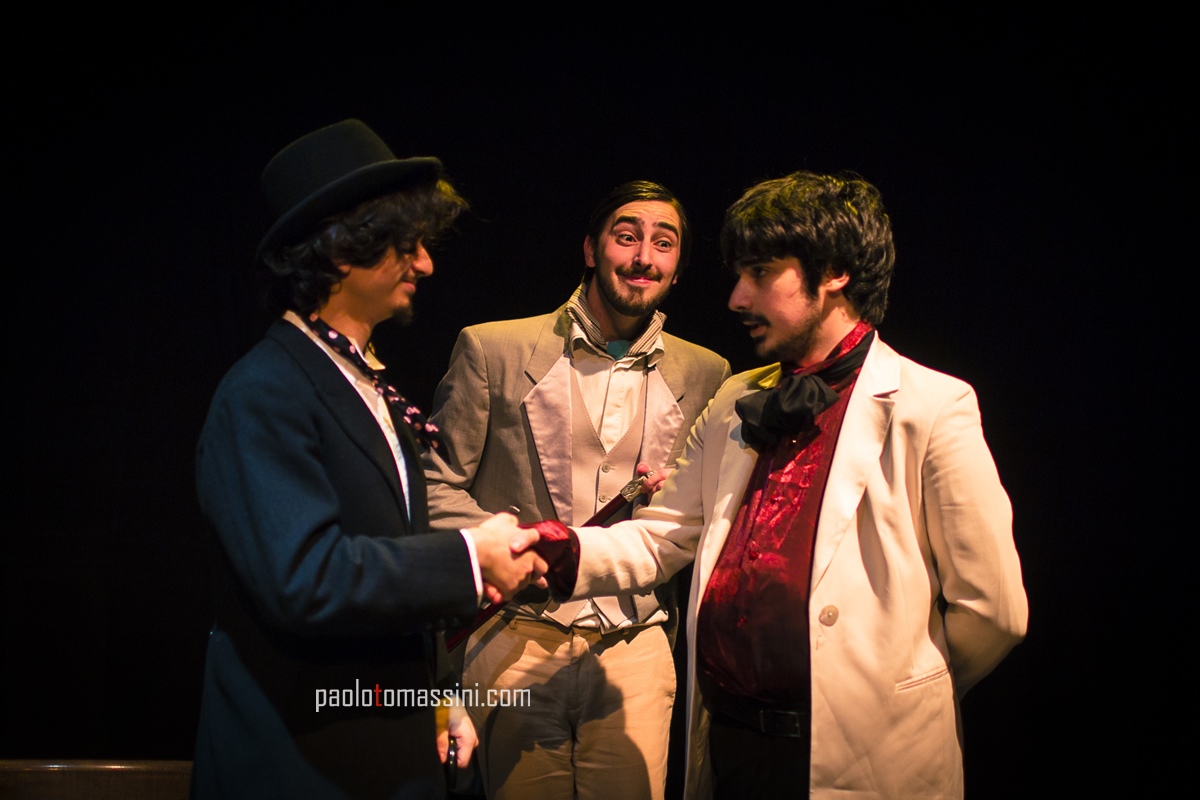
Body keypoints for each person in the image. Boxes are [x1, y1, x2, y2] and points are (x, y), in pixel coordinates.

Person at [533, 172, 1028, 799]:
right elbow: (665, 534)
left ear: (835, 273)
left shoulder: (931, 406)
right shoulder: (735, 398)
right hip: (734, 748)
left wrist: (904, 690)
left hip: (864, 761)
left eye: (762, 273)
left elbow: (994, 611)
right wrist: (555, 550)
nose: (736, 298)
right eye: (738, 274)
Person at [191, 119, 546, 800]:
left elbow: (388, 570)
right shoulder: (265, 391)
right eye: (406, 244)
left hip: (377, 745)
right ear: (340, 251)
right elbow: (305, 578)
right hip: (302, 762)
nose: (426, 264)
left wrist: (433, 699)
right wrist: (470, 557)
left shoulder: (363, 384)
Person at [422, 181, 730, 800]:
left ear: (677, 267)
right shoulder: (493, 349)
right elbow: (434, 484)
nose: (643, 257)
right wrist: (514, 547)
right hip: (515, 634)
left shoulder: (707, 373)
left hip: (635, 643)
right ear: (591, 249)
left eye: (663, 243)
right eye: (627, 236)